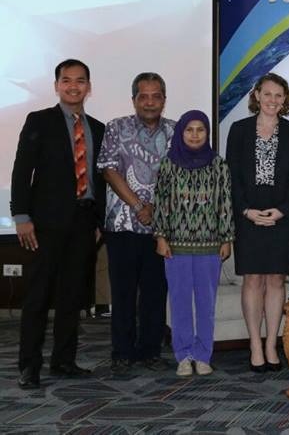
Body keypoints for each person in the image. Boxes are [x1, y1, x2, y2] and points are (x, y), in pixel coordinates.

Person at [12, 59, 105, 389]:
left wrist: (99, 221)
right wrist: (21, 216)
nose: (73, 86)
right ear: (56, 86)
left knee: (72, 296)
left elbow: (100, 178)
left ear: (88, 87)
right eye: (66, 80)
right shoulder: (39, 120)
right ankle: (29, 366)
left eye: (80, 80)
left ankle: (64, 361)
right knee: (38, 296)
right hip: (45, 223)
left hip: (84, 222)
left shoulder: (98, 128)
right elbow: (22, 170)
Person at [226, 73, 289, 372]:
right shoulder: (239, 130)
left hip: (281, 217)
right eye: (268, 94)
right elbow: (232, 176)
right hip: (248, 216)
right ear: (257, 95)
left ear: (285, 100)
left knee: (275, 280)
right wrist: (245, 210)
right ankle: (255, 345)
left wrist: (282, 210)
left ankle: (272, 344)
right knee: (253, 279)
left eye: (279, 95)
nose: (273, 100)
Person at [97, 72, 176, 373]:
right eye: (144, 96)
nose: (150, 102)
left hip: (161, 229)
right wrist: (140, 205)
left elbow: (180, 176)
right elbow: (108, 170)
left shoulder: (175, 131)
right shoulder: (116, 128)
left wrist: (157, 208)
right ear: (134, 100)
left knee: (155, 293)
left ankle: (150, 351)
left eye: (156, 96)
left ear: (164, 100)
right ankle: (122, 352)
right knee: (123, 292)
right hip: (122, 226)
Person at [153, 110, 234, 377]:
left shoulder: (218, 165)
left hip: (210, 246)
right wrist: (161, 237)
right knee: (179, 303)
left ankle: (203, 355)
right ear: (181, 133)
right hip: (175, 246)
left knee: (206, 304)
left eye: (201, 130)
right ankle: (184, 355)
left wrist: (226, 238)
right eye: (189, 129)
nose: (195, 135)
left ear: (207, 133)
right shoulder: (168, 164)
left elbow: (225, 203)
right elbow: (161, 202)